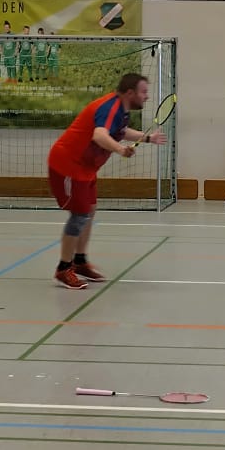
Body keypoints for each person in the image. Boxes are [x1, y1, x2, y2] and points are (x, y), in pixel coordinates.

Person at [46, 72, 165, 289]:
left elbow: (121, 131)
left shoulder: (121, 110)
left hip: (87, 168)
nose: (147, 96)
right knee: (79, 215)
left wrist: (148, 138)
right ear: (130, 93)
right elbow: (99, 135)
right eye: (143, 92)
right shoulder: (109, 107)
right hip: (69, 165)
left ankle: (80, 261)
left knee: (90, 210)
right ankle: (63, 269)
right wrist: (120, 149)